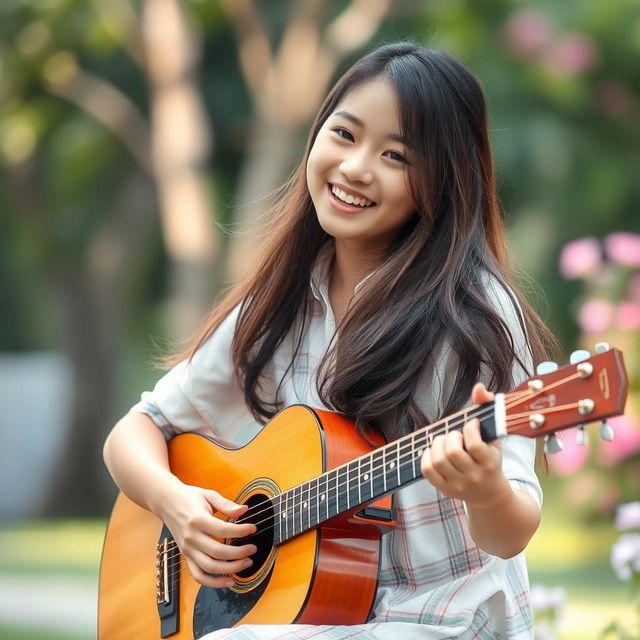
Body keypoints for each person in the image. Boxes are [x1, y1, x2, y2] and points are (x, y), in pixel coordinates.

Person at [103, 41, 554, 639]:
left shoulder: (474, 317)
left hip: (443, 620)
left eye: (396, 155)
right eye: (344, 134)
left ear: (445, 181)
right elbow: (137, 430)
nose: (356, 167)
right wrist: (177, 506)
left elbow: (512, 530)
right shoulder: (279, 306)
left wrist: (486, 489)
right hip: (324, 620)